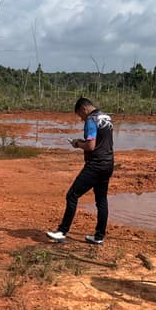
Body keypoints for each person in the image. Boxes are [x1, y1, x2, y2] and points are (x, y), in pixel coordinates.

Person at [45, 97, 114, 246]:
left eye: (79, 115)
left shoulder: (91, 120)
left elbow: (90, 146)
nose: (81, 119)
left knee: (72, 195)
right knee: (101, 200)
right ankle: (99, 236)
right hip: (108, 164)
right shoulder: (106, 118)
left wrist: (77, 143)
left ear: (84, 109)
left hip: (95, 165)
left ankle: (62, 232)